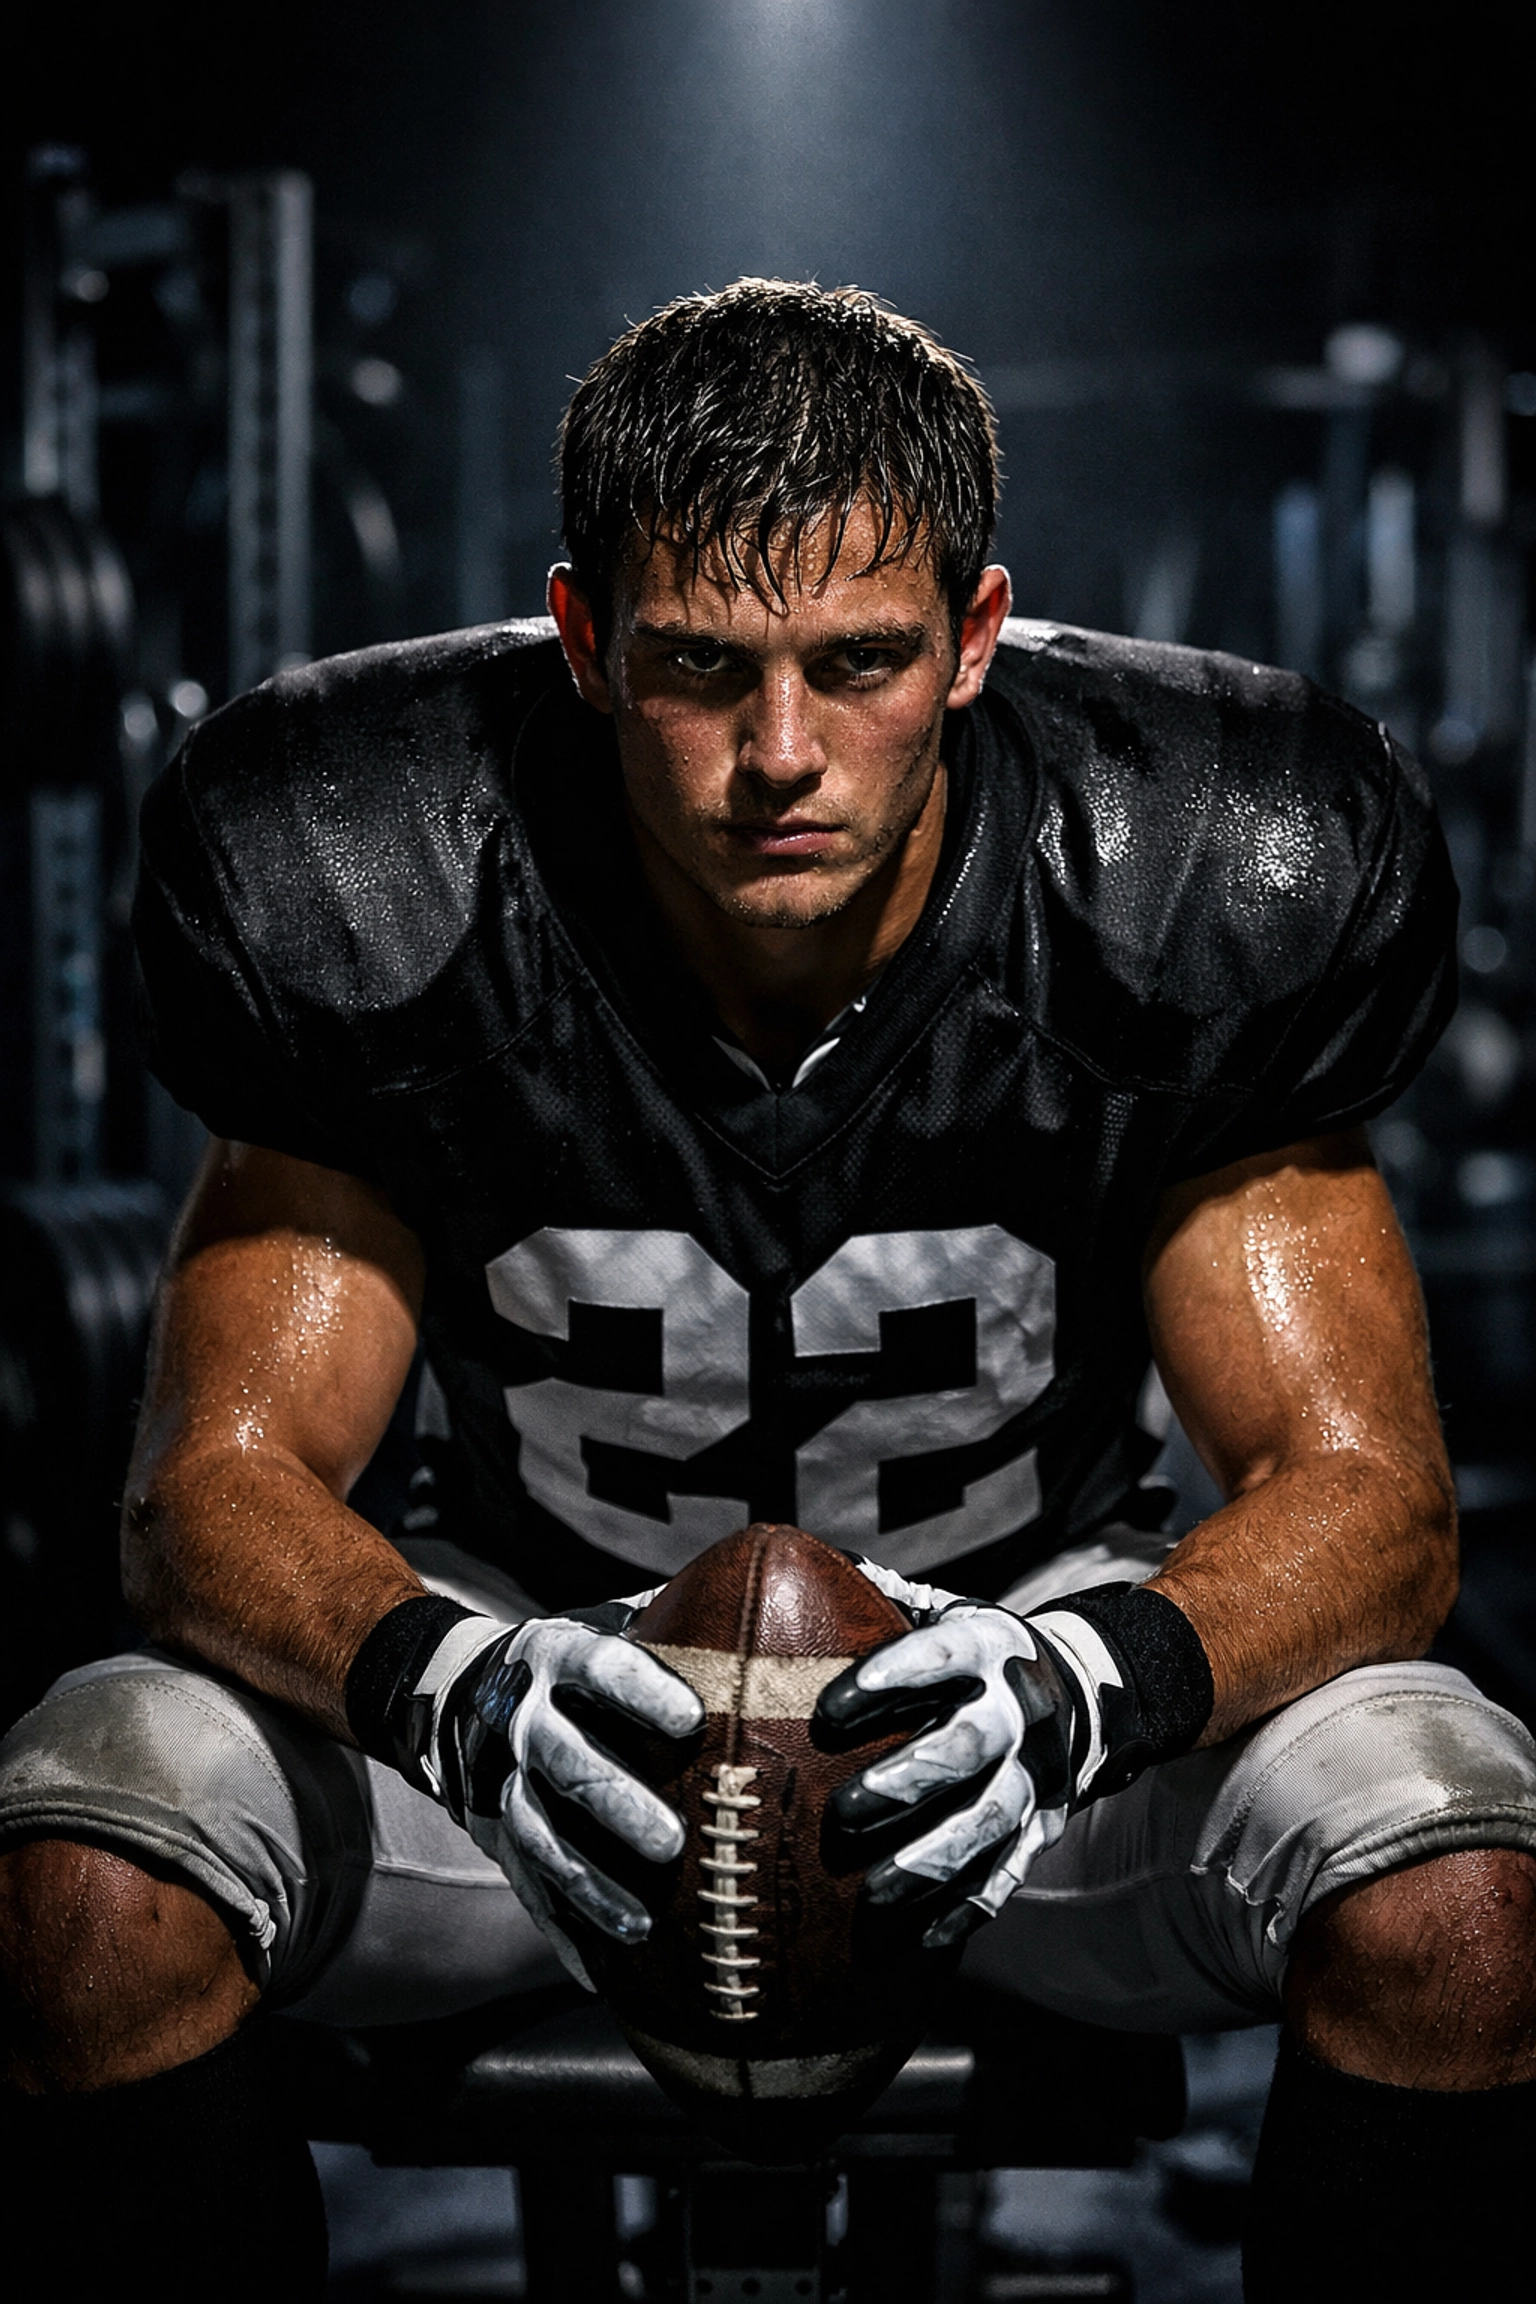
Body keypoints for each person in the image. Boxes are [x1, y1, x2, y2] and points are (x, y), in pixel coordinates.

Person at [1, 278, 1533, 2300]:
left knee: (1465, 1900)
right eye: (701, 667)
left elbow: (1373, 1494)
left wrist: (1094, 1683)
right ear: (581, 640)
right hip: (536, 1685)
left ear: (978, 637)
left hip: (1026, 1694)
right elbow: (207, 1484)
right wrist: (448, 1688)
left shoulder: (1190, 870)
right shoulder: (364, 868)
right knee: (84, 1884)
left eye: (864, 661)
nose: (779, 757)